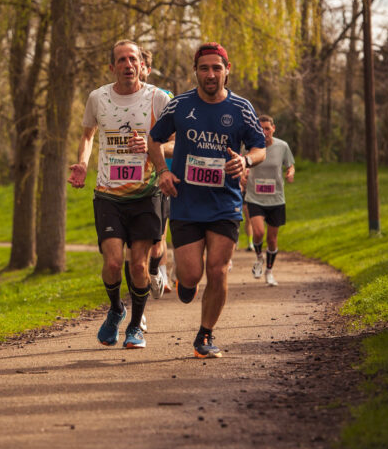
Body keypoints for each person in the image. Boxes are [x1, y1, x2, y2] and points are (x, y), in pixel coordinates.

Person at [147, 42, 266, 358]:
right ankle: (185, 281)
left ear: (227, 70)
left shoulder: (241, 108)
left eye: (216, 68)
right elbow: (154, 139)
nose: (211, 74)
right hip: (186, 202)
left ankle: (205, 334)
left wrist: (246, 161)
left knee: (218, 269)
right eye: (204, 68)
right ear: (196, 72)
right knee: (190, 276)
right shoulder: (180, 105)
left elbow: (259, 148)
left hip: (225, 202)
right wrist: (162, 171)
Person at [69, 40, 171, 349]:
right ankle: (116, 309)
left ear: (142, 64)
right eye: (122, 60)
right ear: (112, 67)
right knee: (113, 263)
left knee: (138, 265)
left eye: (133, 59)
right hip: (108, 194)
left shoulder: (157, 98)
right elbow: (88, 135)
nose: (128, 64)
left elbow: (176, 143)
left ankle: (135, 327)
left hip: (146, 193)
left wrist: (151, 147)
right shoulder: (97, 98)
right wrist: (82, 163)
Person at [244, 115, 295, 287]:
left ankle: (269, 271)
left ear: (273, 128)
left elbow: (290, 165)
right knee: (258, 233)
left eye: (267, 128)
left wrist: (290, 173)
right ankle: (259, 258)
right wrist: (242, 175)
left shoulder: (282, 146)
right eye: (260, 128)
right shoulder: (249, 146)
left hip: (276, 199)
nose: (264, 132)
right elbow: (242, 163)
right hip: (254, 197)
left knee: (272, 240)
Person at [140, 49, 174, 298]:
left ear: (148, 69)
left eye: (141, 64)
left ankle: (159, 271)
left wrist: (153, 152)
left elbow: (175, 140)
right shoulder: (113, 99)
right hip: (128, 181)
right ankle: (144, 279)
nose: (135, 68)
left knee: (159, 234)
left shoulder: (164, 98)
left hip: (161, 175)